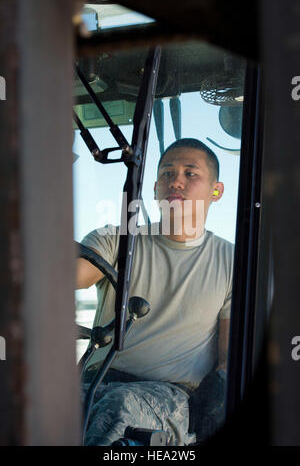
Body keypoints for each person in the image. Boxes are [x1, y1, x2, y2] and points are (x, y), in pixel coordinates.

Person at [77, 138, 234, 446]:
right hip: (93, 379)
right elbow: (68, 276)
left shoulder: (233, 263)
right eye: (166, 173)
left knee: (119, 413)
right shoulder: (116, 239)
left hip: (167, 394)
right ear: (153, 189)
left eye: (190, 173)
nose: (175, 180)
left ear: (216, 191)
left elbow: (228, 360)